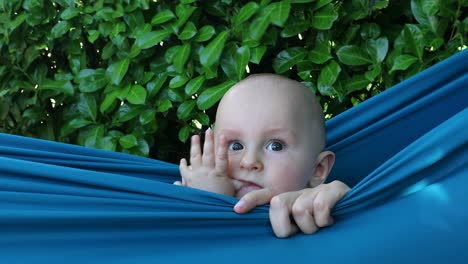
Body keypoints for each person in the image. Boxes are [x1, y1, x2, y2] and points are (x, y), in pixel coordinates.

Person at [174, 74, 350, 238]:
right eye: (235, 145)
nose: (249, 161)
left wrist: (346, 206)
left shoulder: (325, 212)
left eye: (276, 146)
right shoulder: (181, 218)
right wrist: (204, 202)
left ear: (318, 169)